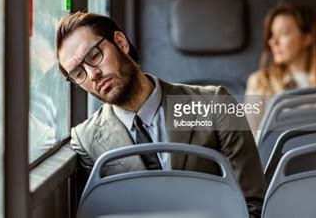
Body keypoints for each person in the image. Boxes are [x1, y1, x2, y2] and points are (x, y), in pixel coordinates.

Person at [56, 12, 266, 218]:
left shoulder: (215, 103)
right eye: (78, 73)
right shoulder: (87, 140)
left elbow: (252, 204)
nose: (93, 74)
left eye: (94, 56)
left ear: (120, 42)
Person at [245, 3, 316, 132]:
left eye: (283, 34)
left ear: (307, 38)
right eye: (272, 34)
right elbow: (252, 139)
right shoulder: (261, 83)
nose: (272, 41)